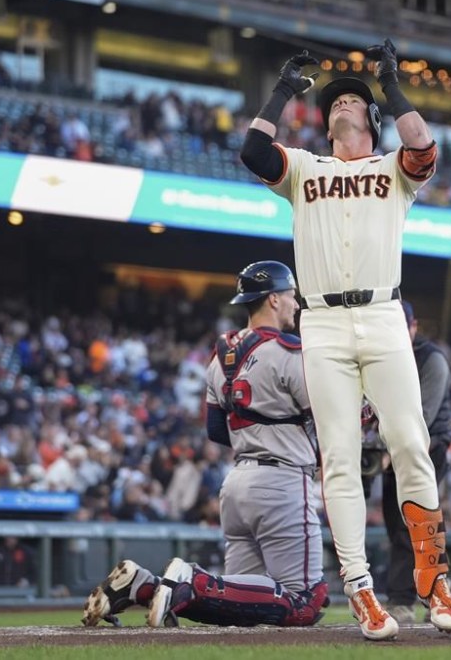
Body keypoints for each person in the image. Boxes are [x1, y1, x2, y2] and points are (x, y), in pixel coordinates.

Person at [240, 39, 451, 639]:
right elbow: (253, 149)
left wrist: (391, 84)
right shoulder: (305, 169)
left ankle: (433, 576)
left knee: (412, 444)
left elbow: (422, 146)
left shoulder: (392, 168)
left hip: (386, 315)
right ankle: (362, 590)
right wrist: (284, 89)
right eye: (335, 101)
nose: (343, 104)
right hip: (323, 322)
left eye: (354, 102)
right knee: (338, 458)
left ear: (373, 119)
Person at [82, 261, 328, 629]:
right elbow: (327, 416)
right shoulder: (289, 350)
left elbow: (216, 429)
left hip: (238, 482)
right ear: (274, 299)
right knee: (305, 602)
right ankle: (189, 580)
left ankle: (145, 587)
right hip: (283, 480)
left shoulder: (220, 355)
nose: (296, 304)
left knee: (236, 607)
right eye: (292, 297)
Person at [362, 301, 451, 625]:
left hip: (428, 446)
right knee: (394, 522)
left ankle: (406, 599)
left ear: (413, 328)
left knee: (409, 522)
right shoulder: (381, 358)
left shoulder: (432, 359)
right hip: (389, 446)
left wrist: (388, 448)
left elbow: (423, 418)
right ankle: (435, 583)